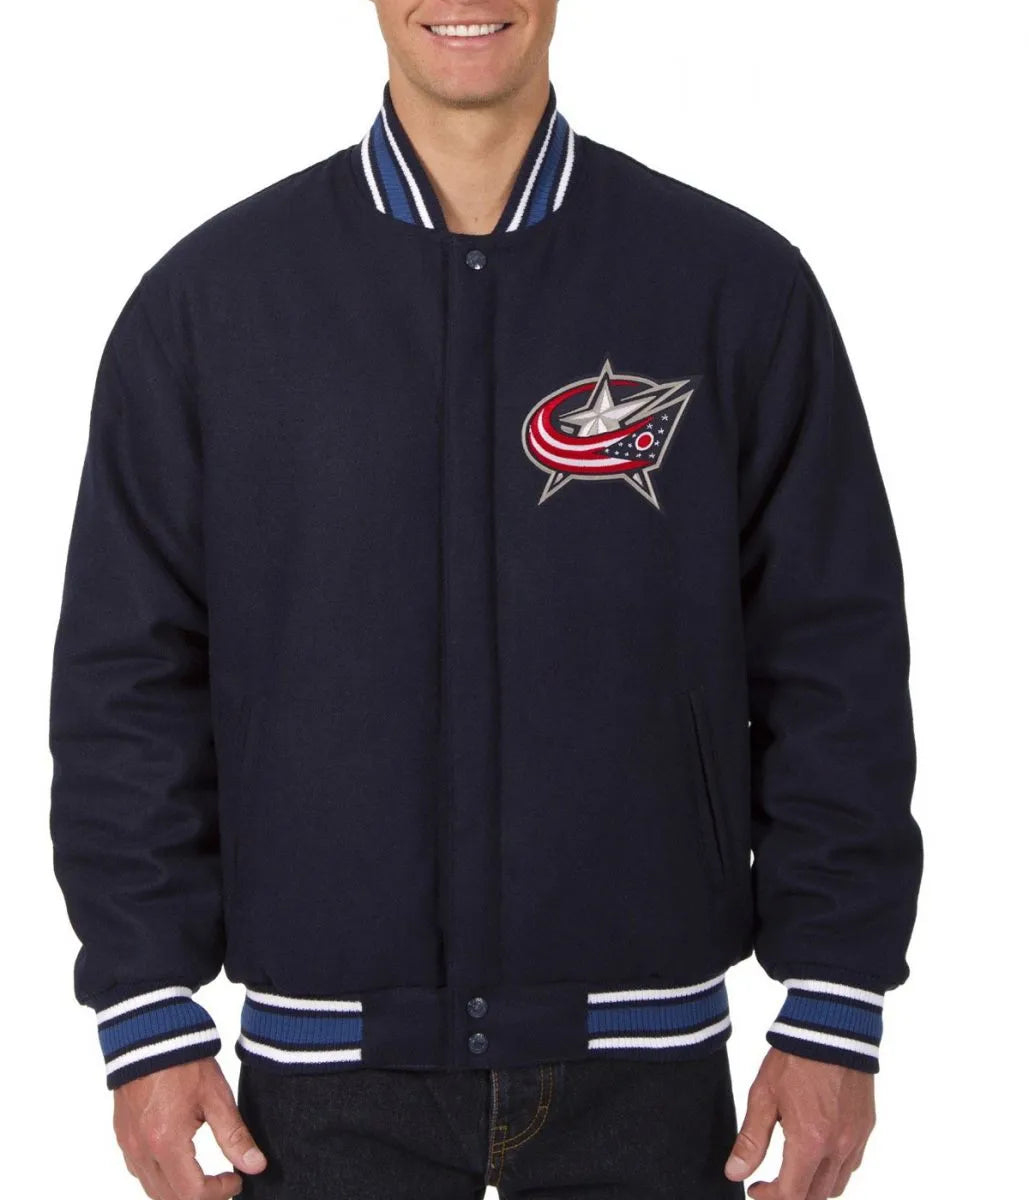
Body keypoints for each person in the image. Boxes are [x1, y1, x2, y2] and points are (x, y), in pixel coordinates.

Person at [47, 2, 923, 1198]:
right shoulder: (210, 306)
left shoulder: (730, 286)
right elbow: (127, 681)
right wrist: (146, 1009)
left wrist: (834, 999)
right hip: (319, 1090)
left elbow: (834, 656)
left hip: (651, 1081)